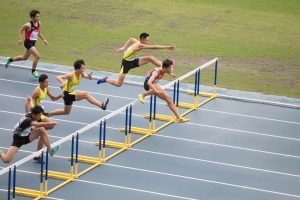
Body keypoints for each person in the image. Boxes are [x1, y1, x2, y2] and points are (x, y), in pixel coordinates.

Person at [96, 32, 175, 87]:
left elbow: (131, 39)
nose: (148, 42)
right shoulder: (140, 46)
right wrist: (168, 47)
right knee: (119, 84)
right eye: (147, 40)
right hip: (126, 64)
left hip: (133, 61)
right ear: (143, 39)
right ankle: (106, 80)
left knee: (150, 58)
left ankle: (167, 70)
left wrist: (124, 47)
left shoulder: (138, 42)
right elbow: (154, 47)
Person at [25, 74, 63, 162]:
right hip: (35, 114)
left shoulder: (46, 88)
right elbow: (28, 101)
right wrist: (28, 115)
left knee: (43, 132)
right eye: (46, 82)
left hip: (40, 114)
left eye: (48, 81)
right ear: (41, 83)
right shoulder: (37, 91)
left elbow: (53, 98)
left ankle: (37, 155)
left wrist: (59, 96)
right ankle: (35, 129)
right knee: (50, 125)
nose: (47, 83)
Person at [5, 9, 48, 78]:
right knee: (37, 56)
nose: (38, 18)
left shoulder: (39, 23)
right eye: (37, 16)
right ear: (33, 17)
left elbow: (38, 33)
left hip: (33, 43)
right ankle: (33, 71)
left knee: (24, 57)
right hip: (28, 43)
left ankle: (10, 60)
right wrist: (20, 39)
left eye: (39, 16)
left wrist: (44, 39)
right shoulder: (28, 25)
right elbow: (21, 30)